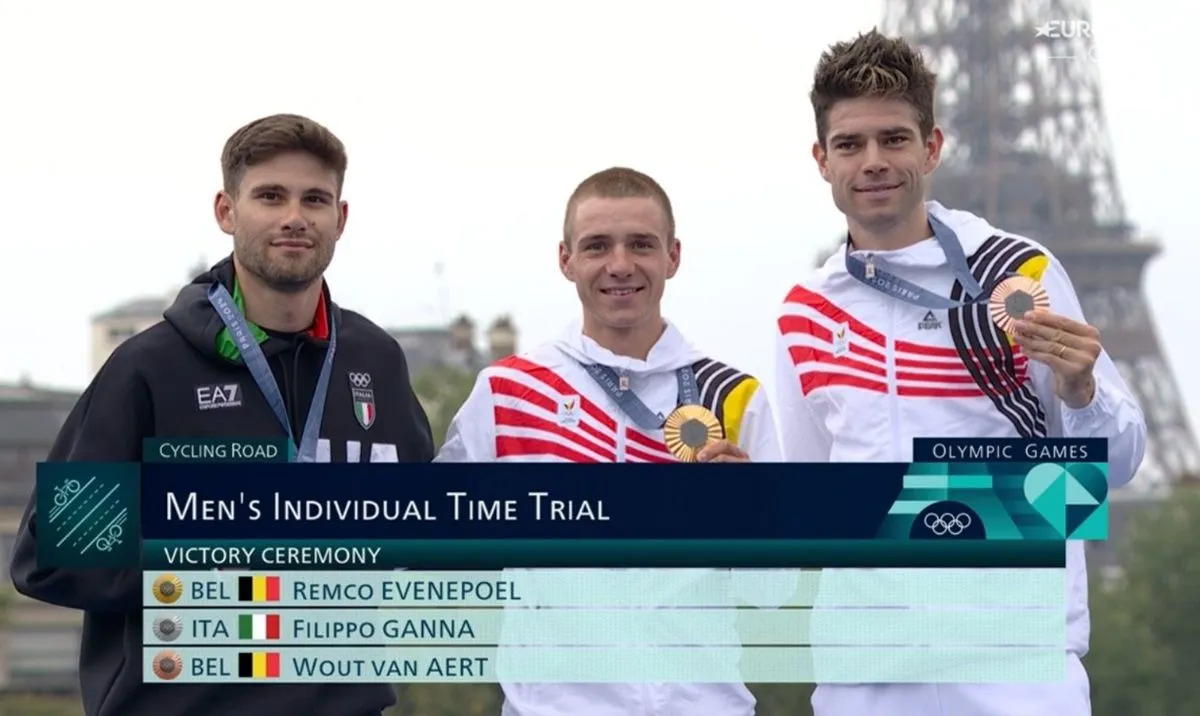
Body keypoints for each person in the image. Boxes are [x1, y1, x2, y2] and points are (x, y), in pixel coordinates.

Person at [10, 113, 435, 716]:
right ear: (226, 212)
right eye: (270, 196)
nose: (294, 216)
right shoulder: (150, 367)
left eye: (314, 199)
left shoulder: (375, 360)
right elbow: (48, 558)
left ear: (339, 219)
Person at [774, 29, 1147, 716]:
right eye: (851, 145)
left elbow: (1115, 467)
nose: (874, 162)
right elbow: (817, 503)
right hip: (867, 672)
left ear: (933, 146)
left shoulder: (1019, 273)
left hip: (1013, 663)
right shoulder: (804, 313)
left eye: (894, 139)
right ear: (822, 160)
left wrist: (1082, 392)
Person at [436, 166, 788, 715]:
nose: (620, 265)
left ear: (672, 256)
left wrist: (748, 517)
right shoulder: (508, 393)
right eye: (597, 245)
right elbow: (433, 550)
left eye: (640, 245)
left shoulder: (734, 396)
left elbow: (774, 593)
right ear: (565, 259)